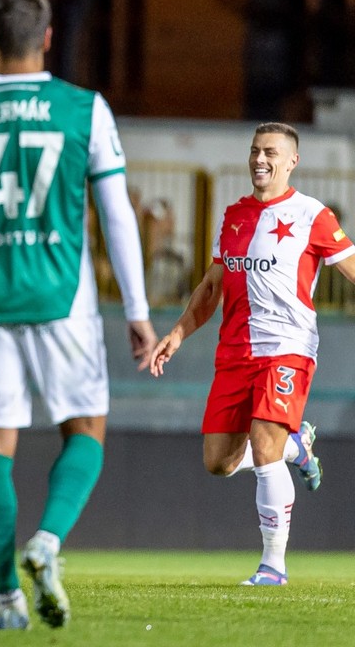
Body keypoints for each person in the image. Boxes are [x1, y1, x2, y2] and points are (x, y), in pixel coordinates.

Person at [0, 0, 157, 630]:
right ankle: (49, 540)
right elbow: (117, 213)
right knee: (86, 429)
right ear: (49, 37)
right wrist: (136, 310)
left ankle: (6, 603)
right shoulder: (85, 108)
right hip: (65, 300)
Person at [149, 122, 350, 586]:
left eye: (271, 152)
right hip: (235, 352)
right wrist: (178, 333)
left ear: (292, 161)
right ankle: (297, 446)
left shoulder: (312, 215)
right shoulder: (234, 215)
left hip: (288, 348)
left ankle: (273, 566)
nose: (260, 159)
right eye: (255, 150)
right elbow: (213, 285)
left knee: (263, 449)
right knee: (218, 461)